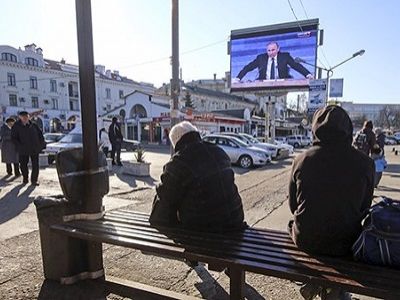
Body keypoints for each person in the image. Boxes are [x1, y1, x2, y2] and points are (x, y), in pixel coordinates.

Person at [288, 106, 374, 300]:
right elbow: (364, 208)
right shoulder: (365, 163)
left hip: (307, 239)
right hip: (346, 243)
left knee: (292, 224)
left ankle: (314, 282)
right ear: (349, 129)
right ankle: (335, 291)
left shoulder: (302, 160)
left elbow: (294, 206)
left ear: (315, 128)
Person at [149, 121, 246, 232]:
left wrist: (156, 220)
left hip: (205, 231)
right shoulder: (219, 151)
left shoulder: (179, 161)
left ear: (176, 142)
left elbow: (164, 202)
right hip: (236, 221)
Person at [234, 41, 314, 82]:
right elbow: (248, 67)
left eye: (273, 50)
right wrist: (238, 78)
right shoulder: (261, 58)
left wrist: (308, 74)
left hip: (282, 83)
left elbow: (296, 66)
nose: (271, 52)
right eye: (269, 50)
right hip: (264, 84)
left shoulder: (285, 56)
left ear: (278, 49)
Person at [11, 111, 46, 185]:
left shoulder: (33, 125)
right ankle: (25, 178)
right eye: (23, 117)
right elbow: (13, 138)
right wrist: (19, 146)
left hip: (34, 149)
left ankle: (34, 180)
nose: (25, 118)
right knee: (23, 165)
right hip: (23, 149)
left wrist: (41, 145)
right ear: (20, 117)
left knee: (35, 165)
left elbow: (40, 136)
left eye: (26, 117)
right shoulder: (16, 126)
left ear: (28, 117)